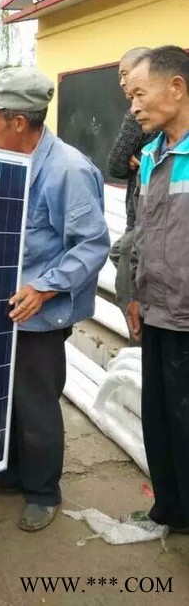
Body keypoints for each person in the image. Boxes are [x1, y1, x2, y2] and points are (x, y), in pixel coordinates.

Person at [0, 67, 110, 530]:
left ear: (19, 121)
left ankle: (44, 491)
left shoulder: (67, 170)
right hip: (7, 303)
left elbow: (92, 244)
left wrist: (45, 287)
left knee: (36, 402)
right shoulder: (10, 158)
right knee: (5, 396)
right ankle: (10, 473)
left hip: (40, 311)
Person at [126, 46, 189, 533]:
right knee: (162, 419)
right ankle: (170, 509)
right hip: (157, 312)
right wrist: (135, 294)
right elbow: (144, 233)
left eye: (139, 94)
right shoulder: (151, 155)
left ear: (177, 88)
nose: (133, 106)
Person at [108, 47, 150, 344]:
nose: (122, 84)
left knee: (126, 256)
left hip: (143, 226)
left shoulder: (139, 115)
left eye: (126, 75)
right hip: (139, 223)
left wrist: (136, 158)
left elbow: (115, 162)